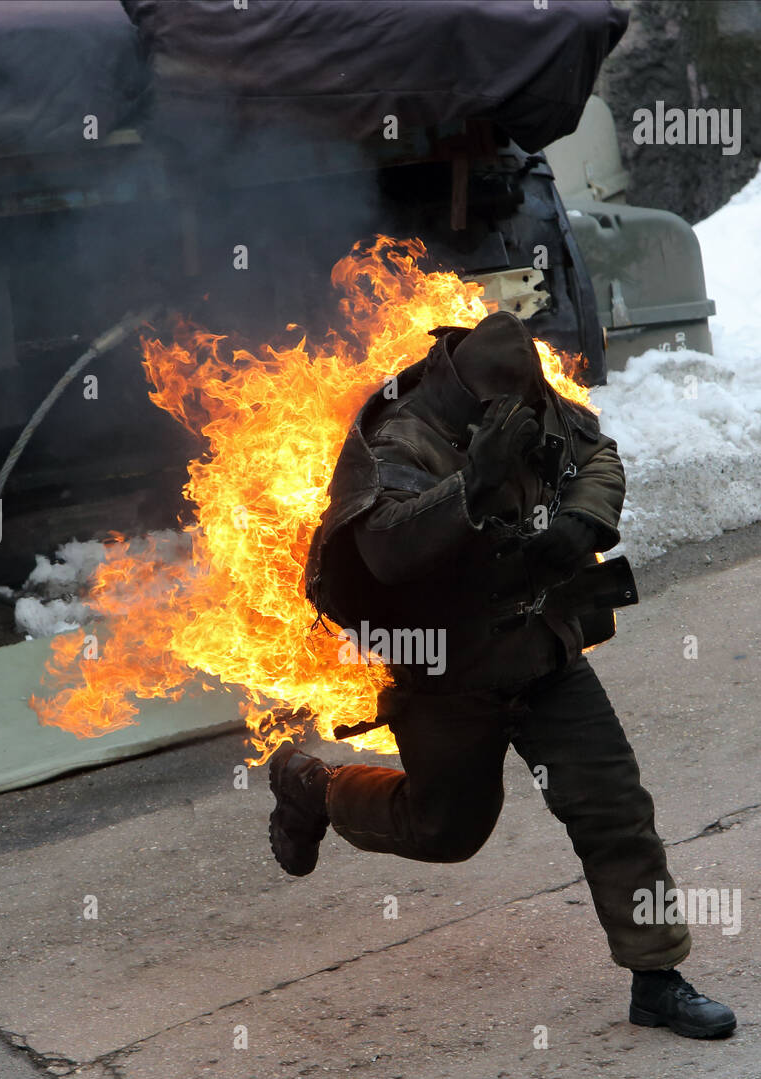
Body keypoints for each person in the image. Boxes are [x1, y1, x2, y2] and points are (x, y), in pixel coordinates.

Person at [268, 311, 736, 1040]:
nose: (523, 415)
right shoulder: (399, 441)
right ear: (465, 396)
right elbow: (385, 552)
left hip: (542, 653)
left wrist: (582, 520)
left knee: (613, 810)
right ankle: (313, 788)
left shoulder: (529, 397)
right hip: (447, 676)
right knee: (445, 832)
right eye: (504, 410)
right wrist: (474, 483)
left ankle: (657, 978)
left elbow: (595, 452)